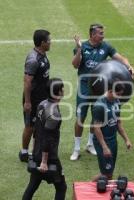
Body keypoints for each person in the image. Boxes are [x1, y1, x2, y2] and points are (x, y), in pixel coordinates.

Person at [70, 23, 134, 161]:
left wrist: (129, 66)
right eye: (100, 33)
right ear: (92, 35)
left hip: (99, 89)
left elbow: (121, 58)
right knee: (80, 118)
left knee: (96, 117)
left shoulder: (106, 47)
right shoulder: (83, 47)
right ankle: (76, 149)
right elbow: (75, 64)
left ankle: (90, 144)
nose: (103, 35)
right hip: (84, 88)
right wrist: (80, 49)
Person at [23, 78, 67, 200]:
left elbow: (37, 130)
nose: (64, 90)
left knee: (32, 185)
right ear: (58, 92)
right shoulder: (54, 115)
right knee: (61, 187)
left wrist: (35, 149)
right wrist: (44, 161)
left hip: (37, 151)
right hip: (49, 157)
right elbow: (48, 138)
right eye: (62, 88)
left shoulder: (42, 104)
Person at [19, 29, 51, 162]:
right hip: (33, 99)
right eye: (49, 40)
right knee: (30, 126)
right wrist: (27, 102)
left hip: (42, 98)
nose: (51, 43)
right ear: (42, 43)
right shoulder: (34, 59)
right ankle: (24, 152)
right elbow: (27, 81)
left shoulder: (42, 54)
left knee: (39, 126)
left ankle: (35, 151)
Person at [91, 83, 133, 181]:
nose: (119, 97)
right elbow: (96, 128)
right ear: (110, 91)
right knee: (105, 174)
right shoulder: (99, 106)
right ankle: (86, 190)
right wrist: (104, 147)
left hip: (113, 140)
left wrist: (126, 140)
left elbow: (118, 122)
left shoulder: (116, 102)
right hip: (102, 142)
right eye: (118, 94)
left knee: (109, 173)